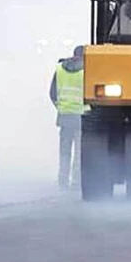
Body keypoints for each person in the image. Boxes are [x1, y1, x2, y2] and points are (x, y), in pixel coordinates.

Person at [49, 45, 89, 190]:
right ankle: (76, 182)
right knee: (79, 153)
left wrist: (60, 107)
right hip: (81, 118)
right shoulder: (87, 71)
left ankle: (62, 180)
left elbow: (52, 93)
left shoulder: (60, 69)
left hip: (64, 117)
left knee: (64, 152)